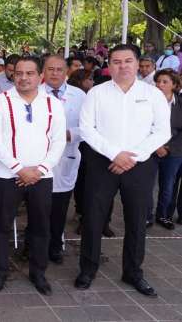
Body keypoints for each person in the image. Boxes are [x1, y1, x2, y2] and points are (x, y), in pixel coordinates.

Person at [76, 44, 170, 297]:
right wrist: (115, 153)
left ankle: (133, 272)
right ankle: (88, 269)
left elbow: (162, 131)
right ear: (109, 65)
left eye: (128, 61)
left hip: (140, 166)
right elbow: (86, 128)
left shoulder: (152, 94)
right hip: (102, 163)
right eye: (116, 61)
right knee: (94, 219)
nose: (122, 66)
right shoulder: (97, 93)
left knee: (137, 221)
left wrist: (133, 156)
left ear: (138, 64)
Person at [0, 56, 67, 296]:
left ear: (40, 75)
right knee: (1, 225)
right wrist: (19, 169)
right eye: (19, 73)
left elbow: (58, 141)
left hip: (42, 176)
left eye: (29, 73)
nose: (23, 78)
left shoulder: (52, 103)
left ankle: (38, 272)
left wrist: (39, 170)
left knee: (41, 227)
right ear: (13, 75)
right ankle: (0, 271)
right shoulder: (1, 102)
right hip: (7, 175)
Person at [41, 55, 86, 264]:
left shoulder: (80, 95)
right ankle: (35, 244)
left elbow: (89, 127)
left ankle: (56, 245)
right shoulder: (35, 93)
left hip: (67, 155)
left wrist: (69, 135)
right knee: (38, 206)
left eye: (59, 69)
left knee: (59, 206)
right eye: (50, 69)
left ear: (67, 71)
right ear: (43, 72)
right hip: (39, 158)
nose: (55, 73)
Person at [151, 70, 182, 230]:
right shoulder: (148, 101)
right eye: (158, 81)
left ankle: (163, 215)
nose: (160, 85)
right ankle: (147, 216)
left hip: (173, 151)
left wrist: (167, 147)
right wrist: (156, 146)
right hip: (149, 149)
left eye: (165, 82)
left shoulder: (180, 102)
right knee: (147, 185)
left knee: (168, 185)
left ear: (174, 85)